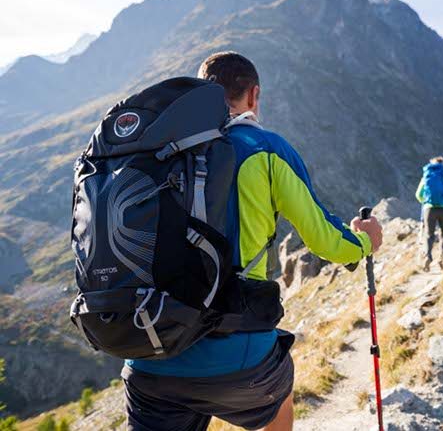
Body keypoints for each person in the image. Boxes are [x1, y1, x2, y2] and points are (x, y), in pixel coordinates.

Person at [121, 52, 383, 431]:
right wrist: (364, 242)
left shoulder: (160, 148)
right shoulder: (265, 148)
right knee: (278, 396)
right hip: (237, 352)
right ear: (254, 95)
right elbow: (326, 240)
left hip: (149, 349)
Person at [415, 156, 443, 270]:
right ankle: (442, 258)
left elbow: (418, 195)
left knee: (429, 234)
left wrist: (425, 202)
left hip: (429, 208)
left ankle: (428, 256)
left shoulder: (426, 176)